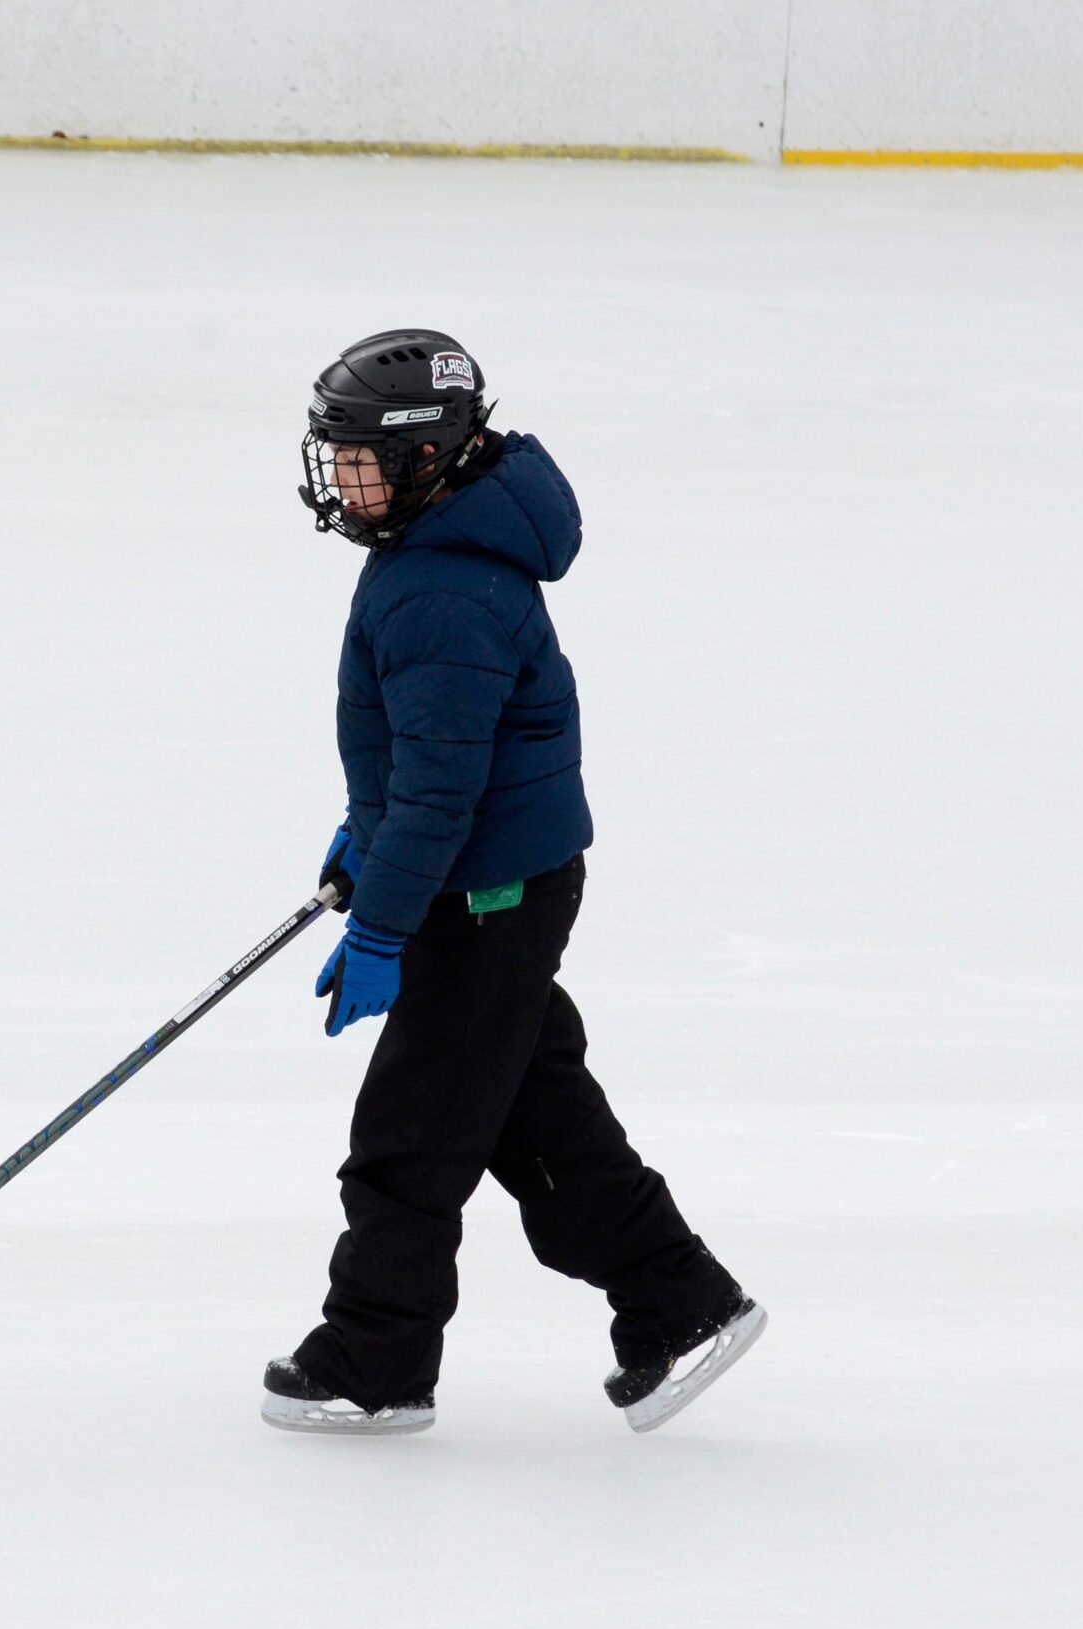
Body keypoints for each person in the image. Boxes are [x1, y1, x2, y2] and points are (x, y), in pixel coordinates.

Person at [262, 329, 766, 1436]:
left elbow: (445, 790)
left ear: (429, 457)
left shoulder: (441, 588)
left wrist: (389, 919)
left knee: (410, 1138)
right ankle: (680, 1300)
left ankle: (375, 1357)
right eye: (333, 456)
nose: (341, 481)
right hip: (494, 883)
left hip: (479, 894)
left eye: (361, 460)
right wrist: (367, 828)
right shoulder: (438, 546)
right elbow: (424, 758)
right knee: (531, 1113)